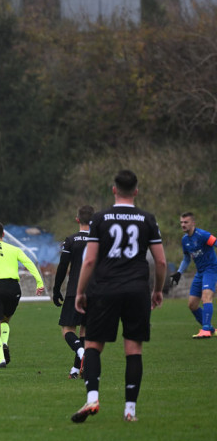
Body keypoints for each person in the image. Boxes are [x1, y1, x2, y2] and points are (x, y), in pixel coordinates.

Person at [72, 169, 166, 423]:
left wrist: (80, 291)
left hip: (104, 289)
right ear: (136, 191)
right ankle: (130, 410)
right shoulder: (147, 219)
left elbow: (90, 259)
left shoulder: (100, 218)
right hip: (136, 290)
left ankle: (92, 398)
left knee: (93, 345)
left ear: (114, 190)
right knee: (133, 349)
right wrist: (157, 289)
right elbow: (160, 261)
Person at [0, 221, 45, 369]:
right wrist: (39, 282)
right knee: (5, 320)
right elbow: (29, 263)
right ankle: (5, 342)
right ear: (3, 234)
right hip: (14, 288)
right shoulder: (15, 249)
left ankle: (1, 360)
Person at [53, 205, 94, 378]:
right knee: (84, 331)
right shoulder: (99, 241)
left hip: (74, 291)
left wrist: (56, 289)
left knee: (68, 330)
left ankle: (80, 352)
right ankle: (76, 370)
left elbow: (63, 267)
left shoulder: (70, 240)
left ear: (77, 219)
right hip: (94, 292)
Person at [169, 211, 217, 338]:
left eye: (186, 222)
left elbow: (215, 242)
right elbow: (186, 259)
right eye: (181, 222)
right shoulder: (185, 240)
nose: (183, 225)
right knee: (192, 305)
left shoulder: (203, 235)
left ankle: (205, 329)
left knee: (206, 297)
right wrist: (178, 273)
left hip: (210, 269)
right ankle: (211, 329)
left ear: (193, 223)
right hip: (200, 272)